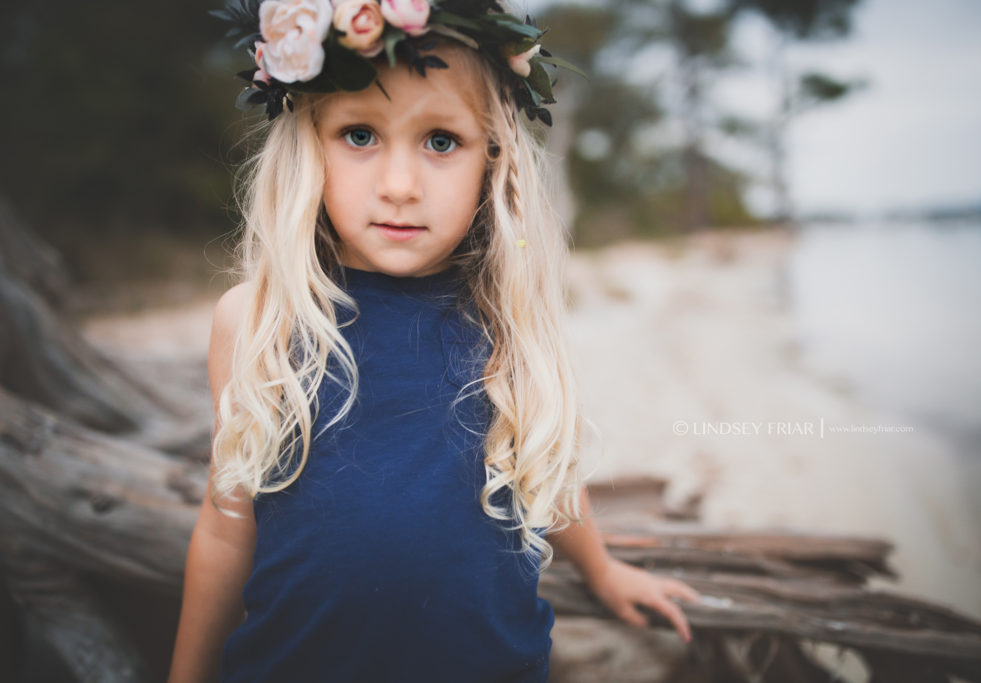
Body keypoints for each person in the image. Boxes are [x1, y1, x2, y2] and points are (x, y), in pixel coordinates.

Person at [168, 1, 700, 681]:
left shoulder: (507, 320)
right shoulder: (257, 319)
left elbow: (546, 468)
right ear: (309, 143)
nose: (398, 187)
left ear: (493, 160)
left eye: (441, 142)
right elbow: (224, 522)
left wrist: (600, 568)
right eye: (358, 134)